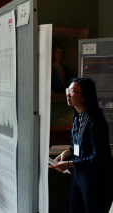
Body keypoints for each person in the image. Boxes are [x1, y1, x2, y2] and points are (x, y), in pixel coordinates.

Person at [50, 78, 112, 212]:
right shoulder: (77, 115)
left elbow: (99, 157)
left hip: (93, 179)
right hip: (78, 175)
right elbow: (80, 145)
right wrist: (66, 153)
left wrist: (69, 164)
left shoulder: (96, 120)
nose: (67, 94)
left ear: (84, 96)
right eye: (68, 90)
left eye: (72, 91)